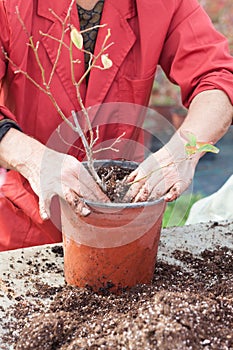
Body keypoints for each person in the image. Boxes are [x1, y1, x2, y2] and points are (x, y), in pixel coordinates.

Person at [0, 0, 232, 251]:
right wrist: (36, 160)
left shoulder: (163, 4)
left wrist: (183, 151)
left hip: (122, 223)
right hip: (28, 223)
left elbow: (217, 77)